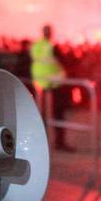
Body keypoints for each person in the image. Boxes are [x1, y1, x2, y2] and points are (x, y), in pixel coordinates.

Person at [31, 24, 74, 152]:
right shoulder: (51, 47)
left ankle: (40, 142)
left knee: (41, 115)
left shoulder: (36, 46)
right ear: (51, 33)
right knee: (58, 114)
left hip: (40, 82)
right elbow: (63, 61)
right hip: (54, 83)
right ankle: (59, 142)